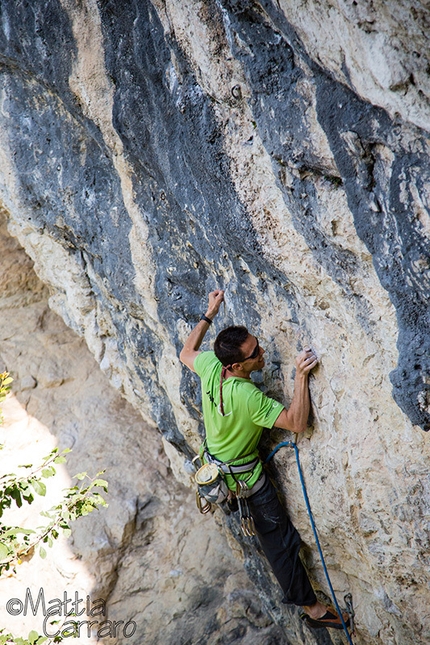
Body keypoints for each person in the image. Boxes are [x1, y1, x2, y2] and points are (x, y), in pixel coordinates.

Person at [180, 289, 349, 630]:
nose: (262, 353)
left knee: (275, 539)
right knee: (280, 541)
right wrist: (301, 376)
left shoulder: (212, 366)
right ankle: (313, 610)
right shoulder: (246, 395)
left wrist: (209, 313)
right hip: (245, 483)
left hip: (217, 470)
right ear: (237, 365)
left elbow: (186, 352)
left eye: (257, 344)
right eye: (255, 353)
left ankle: (310, 605)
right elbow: (297, 423)